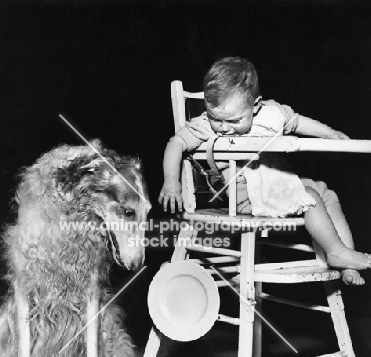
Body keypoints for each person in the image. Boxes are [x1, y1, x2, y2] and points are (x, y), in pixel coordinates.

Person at [158, 56, 371, 285]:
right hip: (246, 197)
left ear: (256, 105)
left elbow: (297, 122)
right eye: (215, 119)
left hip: (277, 184)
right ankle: (335, 251)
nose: (223, 128)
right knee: (310, 197)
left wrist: (330, 134)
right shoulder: (203, 125)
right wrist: (172, 182)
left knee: (326, 194)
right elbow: (176, 142)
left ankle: (347, 260)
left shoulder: (271, 114)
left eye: (233, 120)